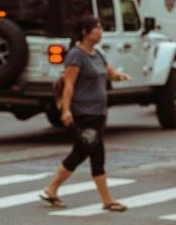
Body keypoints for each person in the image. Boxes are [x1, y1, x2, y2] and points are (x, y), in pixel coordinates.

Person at [39, 16, 132, 211]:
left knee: (81, 152)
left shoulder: (97, 54)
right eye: (96, 29)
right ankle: (106, 200)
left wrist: (119, 76)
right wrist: (66, 110)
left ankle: (51, 189)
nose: (100, 32)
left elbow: (109, 72)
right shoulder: (76, 55)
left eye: (100, 28)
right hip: (84, 112)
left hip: (98, 113)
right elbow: (69, 85)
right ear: (84, 32)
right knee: (95, 154)